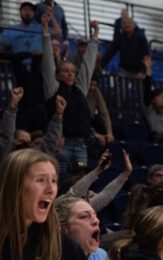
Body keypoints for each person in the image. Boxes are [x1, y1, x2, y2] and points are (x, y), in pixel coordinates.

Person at [41, 14, 99, 184]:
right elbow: (47, 63)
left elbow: (88, 65)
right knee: (59, 184)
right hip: (61, 146)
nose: (69, 74)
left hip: (81, 146)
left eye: (72, 71)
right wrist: (45, 30)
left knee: (80, 183)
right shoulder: (53, 88)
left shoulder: (79, 88)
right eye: (65, 71)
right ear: (58, 75)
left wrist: (95, 37)